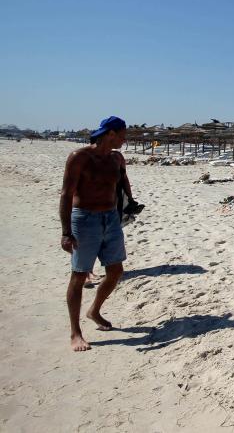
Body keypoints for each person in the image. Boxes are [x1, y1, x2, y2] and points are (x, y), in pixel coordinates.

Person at [60, 116, 132, 351]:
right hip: (84, 219)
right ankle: (75, 332)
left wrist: (130, 204)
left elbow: (122, 184)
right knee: (79, 275)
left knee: (115, 271)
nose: (124, 139)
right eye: (122, 135)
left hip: (110, 218)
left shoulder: (116, 158)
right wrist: (66, 232)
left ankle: (94, 311)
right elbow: (66, 194)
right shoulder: (79, 157)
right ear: (110, 134)